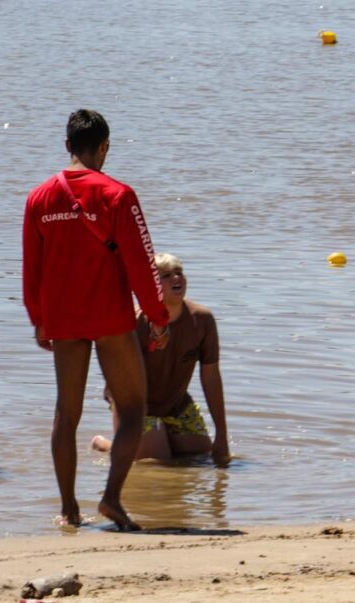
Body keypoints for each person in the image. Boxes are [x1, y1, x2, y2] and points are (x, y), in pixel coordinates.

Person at [22, 109, 170, 531]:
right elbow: (142, 262)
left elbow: (31, 266)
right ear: (104, 147)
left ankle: (69, 509)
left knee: (65, 414)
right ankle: (110, 499)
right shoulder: (119, 195)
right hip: (109, 315)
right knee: (132, 408)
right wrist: (157, 317)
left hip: (63, 318)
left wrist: (38, 318)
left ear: (67, 145)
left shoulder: (39, 197)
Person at [92, 253, 230, 465]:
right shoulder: (136, 323)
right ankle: (107, 444)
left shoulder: (202, 320)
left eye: (179, 273)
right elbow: (117, 377)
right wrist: (129, 415)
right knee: (156, 460)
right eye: (166, 275)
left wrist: (221, 432)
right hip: (135, 403)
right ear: (151, 285)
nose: (176, 278)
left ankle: (157, 436)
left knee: (200, 456)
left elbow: (211, 376)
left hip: (176, 402)